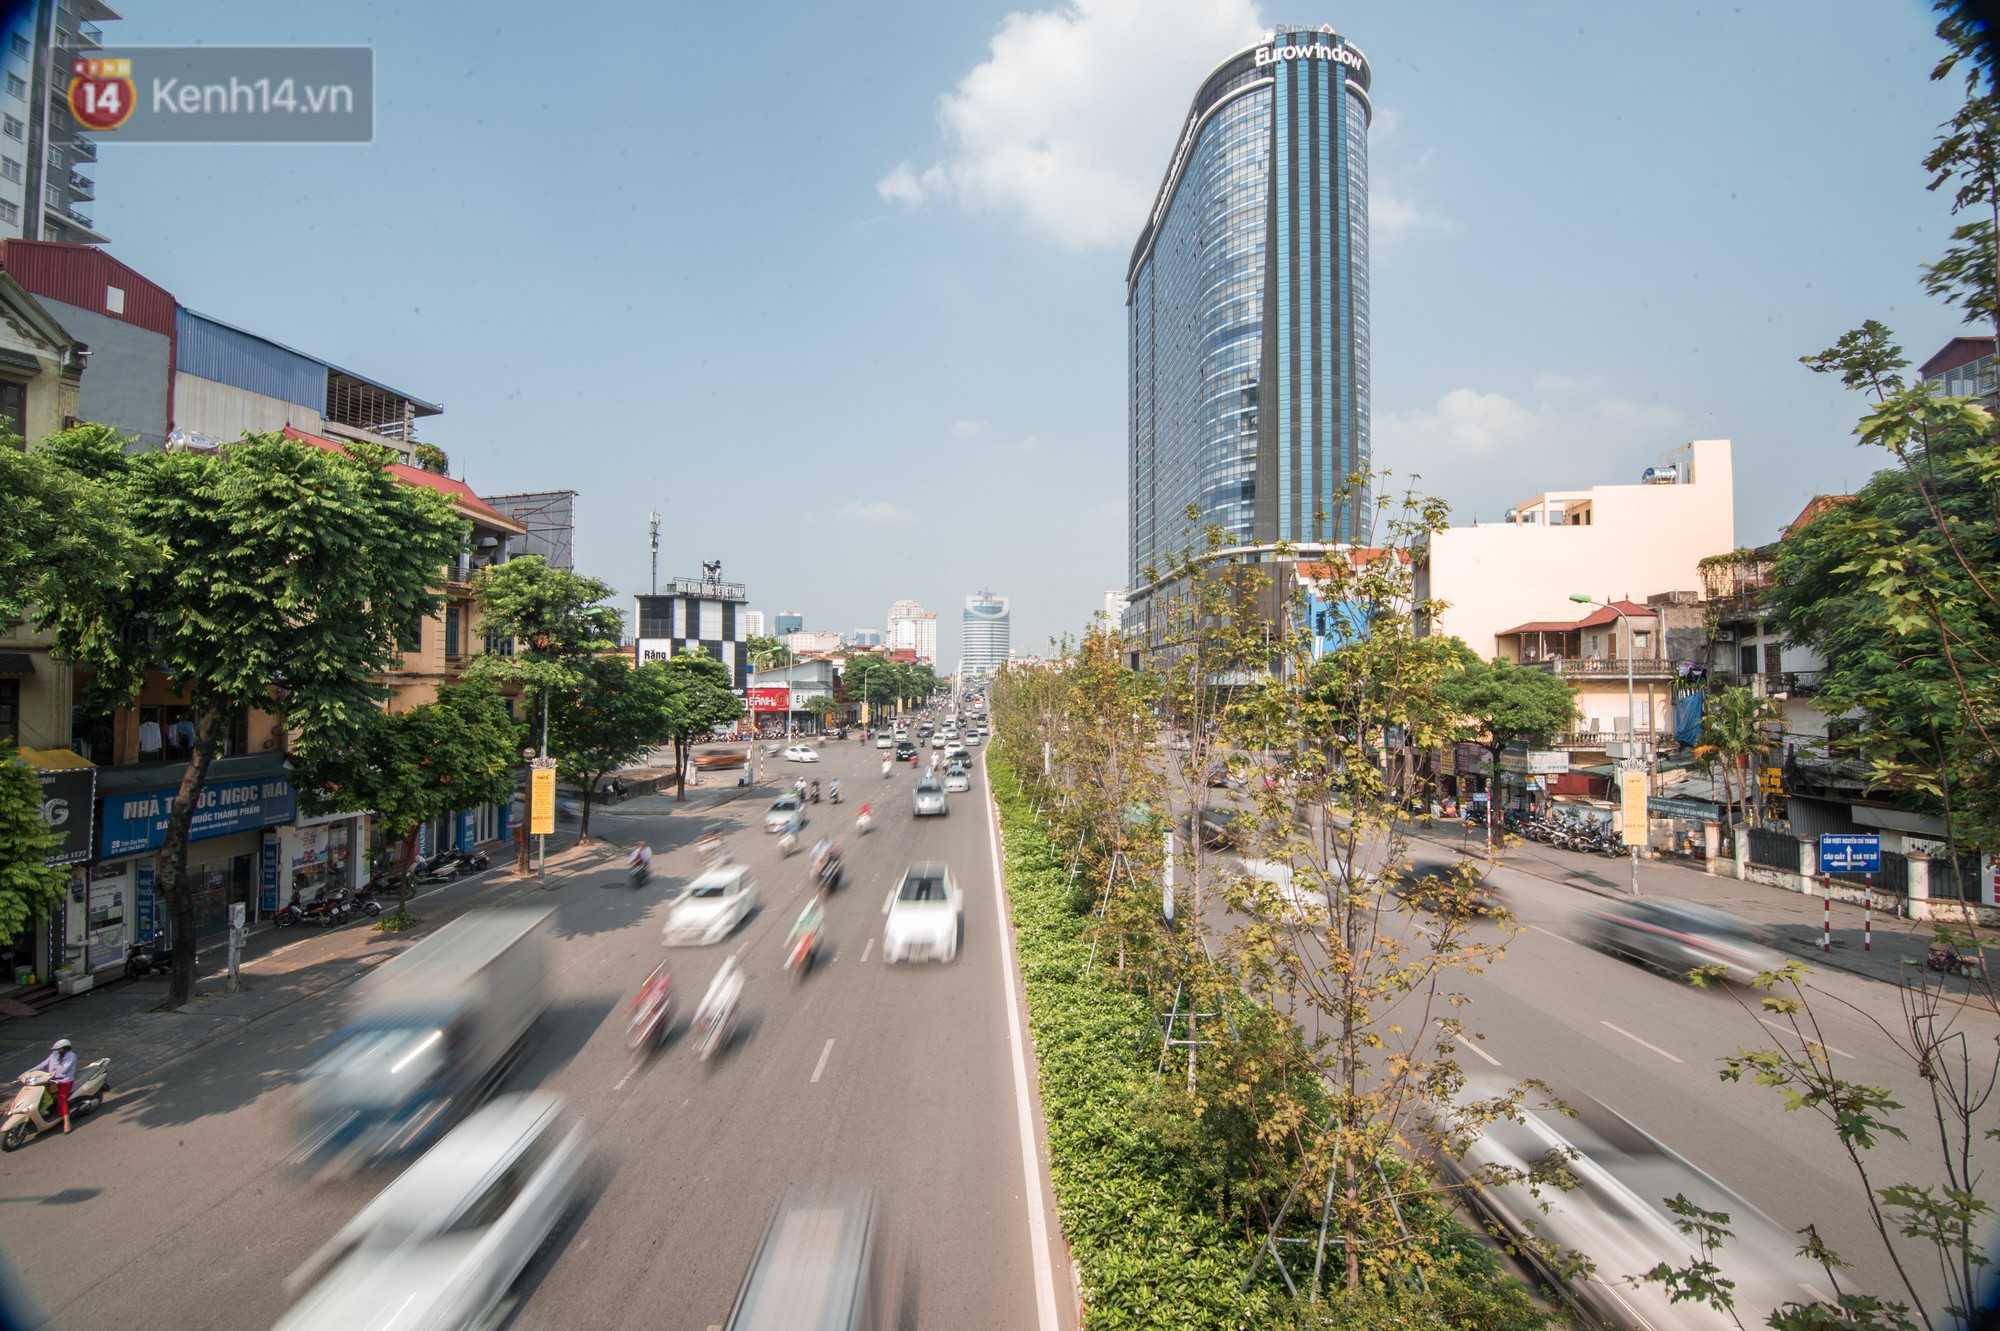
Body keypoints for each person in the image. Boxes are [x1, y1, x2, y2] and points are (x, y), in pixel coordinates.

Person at [23, 1038, 75, 1134]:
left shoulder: (71, 1057)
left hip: (65, 1081)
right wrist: (27, 1073)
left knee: (61, 1099)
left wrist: (55, 1062)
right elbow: (42, 1065)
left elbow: (63, 1071)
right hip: (51, 1080)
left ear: (65, 1048)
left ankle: (67, 1122)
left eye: (58, 1049)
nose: (55, 1051)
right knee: (40, 1096)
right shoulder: (54, 1056)